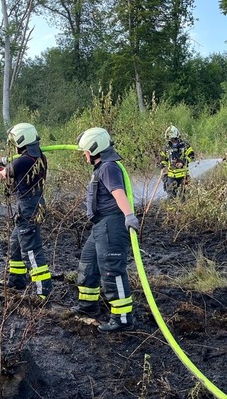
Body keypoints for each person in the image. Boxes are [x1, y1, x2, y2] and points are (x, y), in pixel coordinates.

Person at [71, 127, 138, 333]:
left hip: (112, 224)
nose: (84, 155)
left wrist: (129, 216)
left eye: (85, 151)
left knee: (112, 270)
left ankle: (122, 318)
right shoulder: (102, 167)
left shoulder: (108, 167)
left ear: (94, 148)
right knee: (88, 263)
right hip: (100, 224)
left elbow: (118, 193)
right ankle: (88, 306)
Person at [0, 123, 52, 299]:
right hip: (32, 204)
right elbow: (14, 165)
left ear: (21, 141)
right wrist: (3, 162)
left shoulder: (23, 161)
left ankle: (44, 292)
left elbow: (2, 176)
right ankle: (17, 279)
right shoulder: (39, 157)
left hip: (28, 206)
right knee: (16, 243)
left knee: (31, 250)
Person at [159, 125, 195, 199]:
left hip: (183, 175)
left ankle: (183, 209)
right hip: (171, 176)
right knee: (171, 195)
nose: (171, 140)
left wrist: (183, 162)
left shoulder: (185, 145)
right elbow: (163, 159)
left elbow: (191, 156)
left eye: (172, 138)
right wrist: (163, 167)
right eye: (170, 138)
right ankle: (172, 210)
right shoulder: (166, 147)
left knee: (184, 196)